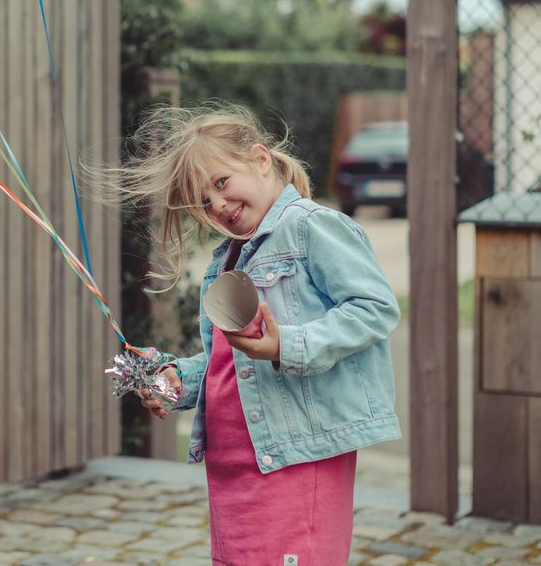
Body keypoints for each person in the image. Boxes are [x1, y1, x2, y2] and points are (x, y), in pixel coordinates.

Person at [116, 103, 401, 566]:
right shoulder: (228, 259)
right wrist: (174, 380)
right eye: (204, 202)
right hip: (234, 467)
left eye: (222, 183)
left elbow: (375, 309)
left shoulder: (310, 227)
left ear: (261, 158)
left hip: (294, 458)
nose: (218, 206)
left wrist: (285, 345)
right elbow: (228, 363)